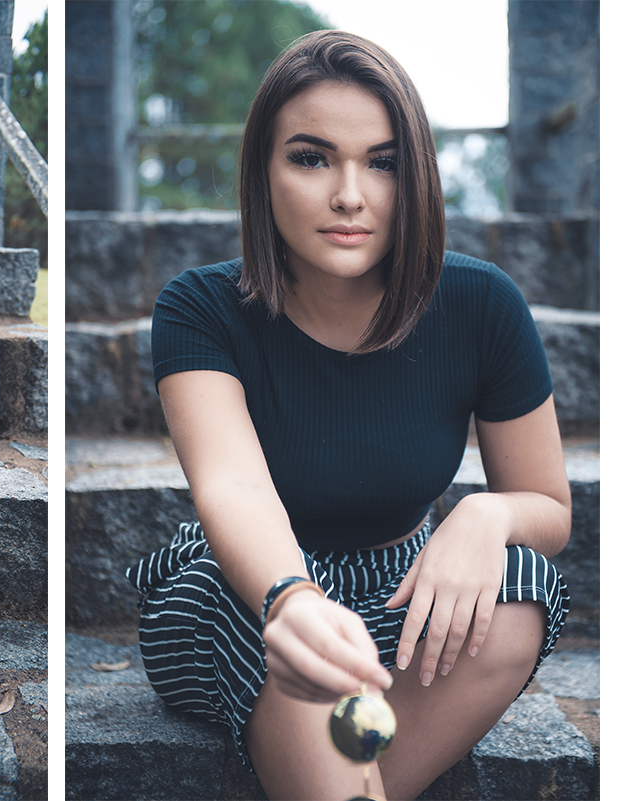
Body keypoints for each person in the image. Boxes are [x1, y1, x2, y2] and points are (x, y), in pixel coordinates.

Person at [127, 30, 570, 800]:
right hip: (245, 585)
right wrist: (294, 600)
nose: (349, 195)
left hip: (401, 589)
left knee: (525, 585)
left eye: (383, 162)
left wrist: (486, 517)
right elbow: (232, 486)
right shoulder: (199, 307)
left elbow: (550, 508)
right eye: (311, 157)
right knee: (285, 634)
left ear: (417, 175)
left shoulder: (483, 304)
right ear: (263, 172)